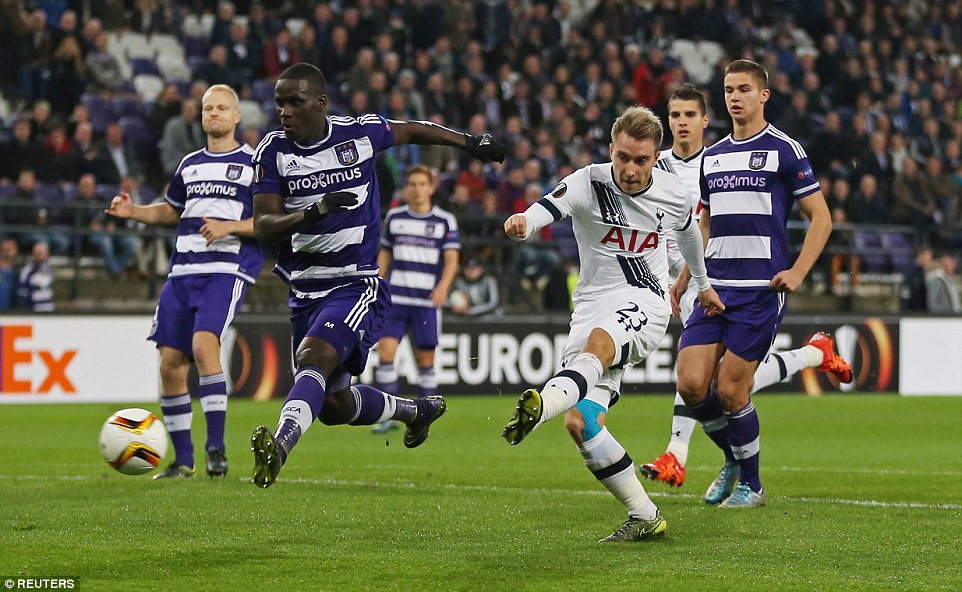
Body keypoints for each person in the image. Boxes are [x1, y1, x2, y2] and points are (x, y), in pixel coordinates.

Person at [248, 63, 506, 489]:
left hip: (354, 282)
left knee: (312, 358)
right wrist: (312, 212)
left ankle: (280, 445)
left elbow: (414, 130)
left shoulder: (359, 133)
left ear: (321, 103)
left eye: (295, 102)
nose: (285, 112)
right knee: (331, 406)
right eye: (280, 103)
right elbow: (263, 226)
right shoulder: (272, 151)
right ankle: (414, 411)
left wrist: (469, 142)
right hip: (304, 288)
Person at [501, 105, 724, 543]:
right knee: (581, 422)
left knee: (599, 346)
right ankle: (644, 514)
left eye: (641, 160)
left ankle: (543, 405)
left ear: (656, 156)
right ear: (611, 150)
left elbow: (688, 235)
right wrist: (524, 222)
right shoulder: (588, 181)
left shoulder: (674, 192)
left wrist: (701, 284)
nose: (630, 169)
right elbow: (546, 208)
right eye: (623, 157)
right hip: (590, 308)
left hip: (647, 301)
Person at [641, 84, 853, 490]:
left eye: (690, 115)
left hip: (737, 283)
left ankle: (679, 453)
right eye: (675, 115)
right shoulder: (660, 165)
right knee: (703, 381)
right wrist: (681, 279)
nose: (682, 122)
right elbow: (699, 225)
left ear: (704, 120)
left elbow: (819, 216)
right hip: (693, 279)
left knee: (729, 384)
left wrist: (798, 270)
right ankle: (812, 355)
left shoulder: (758, 153)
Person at [106, 84, 262, 480]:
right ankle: (183, 460)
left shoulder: (255, 163)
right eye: (208, 108)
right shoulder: (189, 164)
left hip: (225, 269)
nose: (214, 114)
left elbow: (271, 222)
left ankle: (216, 449)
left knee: (203, 345)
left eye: (222, 108)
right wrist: (133, 211)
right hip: (182, 272)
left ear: (237, 116)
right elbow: (171, 211)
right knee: (169, 365)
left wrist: (230, 227)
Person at [371, 164, 461, 434]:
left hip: (426, 302)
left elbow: (452, 258)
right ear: (406, 189)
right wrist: (378, 285)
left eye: (422, 184)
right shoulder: (395, 217)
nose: (417, 189)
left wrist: (443, 287)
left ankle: (426, 415)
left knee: (426, 360)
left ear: (431, 188)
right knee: (386, 352)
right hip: (396, 298)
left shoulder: (444, 220)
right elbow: (385, 254)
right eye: (412, 184)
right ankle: (389, 415)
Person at [15, 241, 55, 312]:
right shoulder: (27, 271)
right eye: (37, 252)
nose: (39, 254)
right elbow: (22, 294)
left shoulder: (51, 270)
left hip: (49, 309)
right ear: (33, 254)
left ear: (47, 253)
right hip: (34, 310)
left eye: (42, 252)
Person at [0, 238, 19, 310]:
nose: (7, 252)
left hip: (9, 310)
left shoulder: (18, 270)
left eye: (10, 249)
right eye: (5, 250)